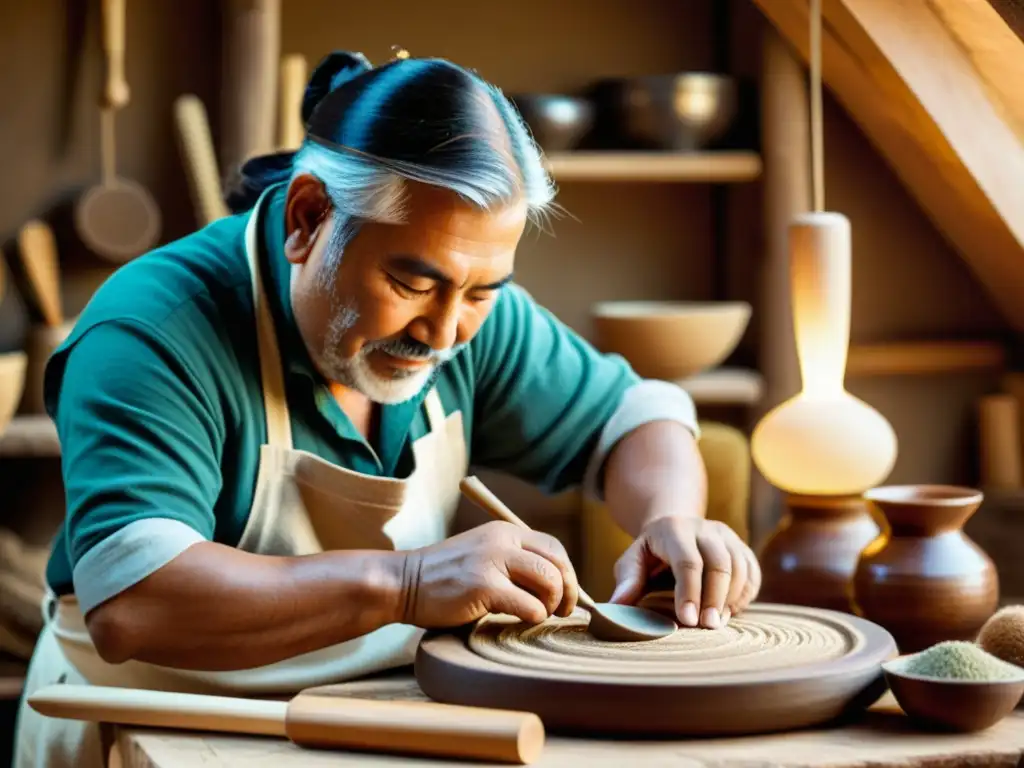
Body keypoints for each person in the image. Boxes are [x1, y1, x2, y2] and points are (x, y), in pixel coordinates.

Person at [13, 50, 760, 767]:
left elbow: (631, 420)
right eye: (412, 285)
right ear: (307, 219)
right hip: (151, 724)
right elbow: (136, 603)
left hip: (368, 720)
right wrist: (407, 583)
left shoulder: (473, 314)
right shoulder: (153, 329)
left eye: (480, 291)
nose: (443, 334)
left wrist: (674, 520)